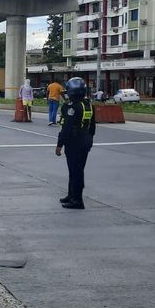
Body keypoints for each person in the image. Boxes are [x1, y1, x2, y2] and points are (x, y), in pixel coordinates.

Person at [55, 77, 97, 210]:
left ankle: (77, 200)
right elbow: (92, 126)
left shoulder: (71, 107)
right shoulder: (88, 104)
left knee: (75, 171)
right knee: (76, 170)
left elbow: (66, 128)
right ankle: (71, 194)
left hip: (74, 142)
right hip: (85, 140)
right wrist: (89, 139)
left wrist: (59, 144)